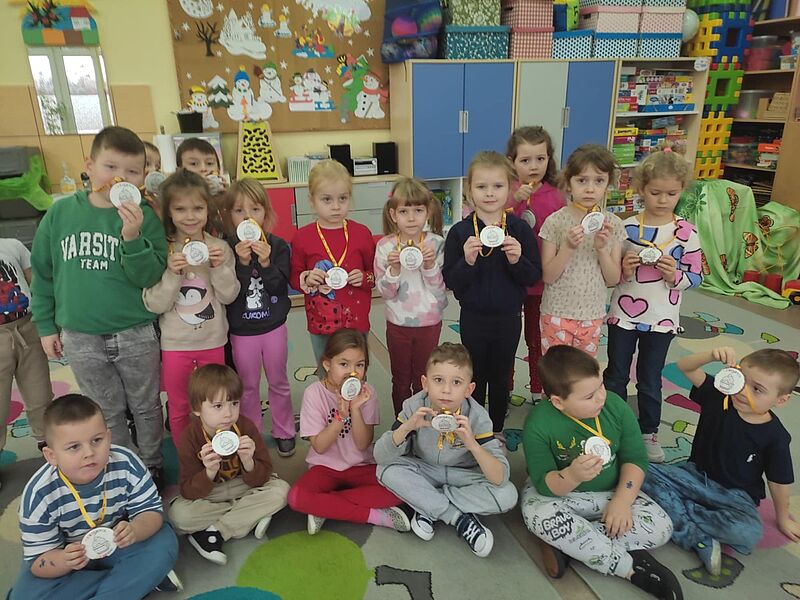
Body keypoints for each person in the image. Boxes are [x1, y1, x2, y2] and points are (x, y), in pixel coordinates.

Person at [30, 126, 168, 486]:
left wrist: (132, 237)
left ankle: (151, 463)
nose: (119, 177)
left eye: (132, 171)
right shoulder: (60, 214)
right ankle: (122, 466)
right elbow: (43, 274)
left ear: (142, 177)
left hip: (136, 332)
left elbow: (149, 276)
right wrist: (45, 326)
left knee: (146, 405)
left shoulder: (146, 216)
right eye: (110, 167)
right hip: (81, 336)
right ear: (89, 166)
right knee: (106, 411)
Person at [521, 346, 681, 599]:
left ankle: (570, 545)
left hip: (611, 493)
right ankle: (628, 568)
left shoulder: (615, 406)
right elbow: (544, 483)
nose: (600, 398)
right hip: (562, 497)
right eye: (588, 397)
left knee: (661, 526)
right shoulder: (538, 424)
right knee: (537, 514)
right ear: (558, 402)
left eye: (601, 387)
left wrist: (622, 502)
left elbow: (635, 459)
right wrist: (572, 476)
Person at [642, 347, 800, 576]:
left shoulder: (775, 436)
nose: (743, 391)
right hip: (692, 476)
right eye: (741, 379)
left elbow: (778, 481)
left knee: (748, 533)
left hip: (735, 497)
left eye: (757, 389)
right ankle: (697, 536)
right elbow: (684, 367)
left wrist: (783, 518)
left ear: (781, 400)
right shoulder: (719, 396)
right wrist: (710, 355)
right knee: (638, 471)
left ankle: (678, 513)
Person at [11, 394, 181, 598]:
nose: (89, 453)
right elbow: (40, 560)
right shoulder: (38, 496)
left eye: (97, 440)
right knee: (24, 595)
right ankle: (138, 578)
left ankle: (133, 578)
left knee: (163, 543)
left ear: (109, 437)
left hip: (120, 542)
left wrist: (135, 530)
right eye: (74, 447)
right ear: (51, 456)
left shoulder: (126, 463)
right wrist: (64, 560)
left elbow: (151, 512)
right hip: (70, 557)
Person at [603, 144, 702, 462]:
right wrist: (624, 267)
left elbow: (696, 276)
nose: (662, 200)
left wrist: (675, 275)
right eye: (655, 192)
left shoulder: (687, 233)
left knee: (649, 377)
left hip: (662, 319)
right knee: (616, 374)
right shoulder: (627, 227)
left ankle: (648, 432)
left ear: (681, 190)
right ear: (641, 189)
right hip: (623, 314)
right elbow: (611, 272)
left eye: (671, 194)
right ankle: (612, 426)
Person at [375, 343, 517, 558]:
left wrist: (472, 444)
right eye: (438, 380)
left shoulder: (478, 416)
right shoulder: (414, 406)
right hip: (424, 469)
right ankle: (457, 518)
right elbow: (380, 456)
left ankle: (426, 504)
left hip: (464, 475)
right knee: (384, 470)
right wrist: (407, 427)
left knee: (508, 494)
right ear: (425, 383)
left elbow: (500, 477)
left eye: (456, 382)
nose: (446, 390)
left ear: (469, 389)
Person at [443, 151, 541, 440]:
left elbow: (532, 276)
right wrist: (467, 261)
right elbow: (451, 281)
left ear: (510, 188)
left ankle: (496, 429)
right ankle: (473, 428)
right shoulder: (460, 232)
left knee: (501, 375)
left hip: (508, 317)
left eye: (497, 186)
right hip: (473, 317)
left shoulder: (519, 229)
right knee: (473, 375)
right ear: (469, 190)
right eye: (481, 186)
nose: (489, 193)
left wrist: (517, 260)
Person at [143, 170, 239, 445]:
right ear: (168, 212)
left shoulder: (219, 248)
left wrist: (218, 268)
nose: (190, 216)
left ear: (208, 209)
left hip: (212, 341)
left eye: (198, 208)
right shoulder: (162, 249)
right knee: (180, 406)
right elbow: (155, 304)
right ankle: (187, 456)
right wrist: (173, 274)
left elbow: (229, 296)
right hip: (176, 345)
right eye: (180, 209)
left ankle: (217, 451)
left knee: (216, 403)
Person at [287, 328, 408, 535]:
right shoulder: (314, 393)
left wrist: (356, 409)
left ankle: (324, 506)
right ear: (327, 364)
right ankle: (374, 516)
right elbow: (320, 446)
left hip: (361, 465)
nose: (352, 372)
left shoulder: (367, 392)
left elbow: (362, 444)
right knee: (296, 497)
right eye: (343, 364)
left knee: (403, 488)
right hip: (324, 467)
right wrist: (341, 416)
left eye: (359, 365)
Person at [168, 365, 289, 565]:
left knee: (282, 491)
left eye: (234, 403)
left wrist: (249, 462)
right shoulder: (189, 438)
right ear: (197, 409)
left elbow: (264, 475)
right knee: (178, 516)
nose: (228, 413)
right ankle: (248, 515)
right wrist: (208, 472)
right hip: (211, 493)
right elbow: (188, 490)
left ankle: (215, 532)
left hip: (244, 484)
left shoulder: (245, 426)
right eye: (218, 406)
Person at [223, 178, 295, 457]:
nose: (248, 217)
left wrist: (265, 263)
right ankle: (251, 434)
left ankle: (284, 430)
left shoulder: (278, 246)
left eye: (255, 209)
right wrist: (242, 264)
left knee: (279, 381)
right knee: (247, 386)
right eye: (239, 210)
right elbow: (230, 294)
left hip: (273, 327)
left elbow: (279, 287)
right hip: (242, 331)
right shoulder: (227, 248)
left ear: (266, 212)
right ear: (229, 215)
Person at [539, 144, 624, 358]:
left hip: (591, 314)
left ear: (608, 184)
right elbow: (548, 276)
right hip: (556, 312)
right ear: (568, 183)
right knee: (555, 370)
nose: (590, 189)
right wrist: (567, 248)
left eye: (599, 181)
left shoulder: (613, 224)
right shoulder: (555, 222)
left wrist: (602, 250)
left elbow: (613, 279)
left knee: (583, 372)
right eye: (582, 180)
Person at [290, 160, 375, 367]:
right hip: (321, 322)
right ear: (312, 200)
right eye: (326, 199)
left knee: (356, 372)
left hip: (356, 323)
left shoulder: (362, 233)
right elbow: (294, 278)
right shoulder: (302, 237)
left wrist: (364, 278)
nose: (336, 206)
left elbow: (375, 274)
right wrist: (308, 278)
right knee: (325, 371)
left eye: (342, 198)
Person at [374, 177, 447, 414]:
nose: (412, 218)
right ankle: (402, 421)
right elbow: (385, 293)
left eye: (418, 210)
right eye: (404, 211)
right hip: (398, 323)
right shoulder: (385, 246)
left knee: (424, 377)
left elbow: (440, 291)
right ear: (393, 214)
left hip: (429, 322)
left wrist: (429, 265)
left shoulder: (436, 244)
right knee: (400, 378)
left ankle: (423, 420)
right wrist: (394, 270)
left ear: (428, 212)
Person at [504, 126, 566, 402]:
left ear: (549, 159)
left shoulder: (556, 195)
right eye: (525, 160)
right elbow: (492, 222)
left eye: (540, 159)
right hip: (509, 279)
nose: (533, 166)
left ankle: (537, 390)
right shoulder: (505, 191)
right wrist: (512, 201)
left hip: (542, 283)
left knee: (536, 338)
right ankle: (504, 389)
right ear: (512, 162)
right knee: (507, 339)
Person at [0, 237, 53, 465]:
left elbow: (37, 285)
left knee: (40, 393)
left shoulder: (12, 245)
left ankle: (48, 444)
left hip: (28, 328)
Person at [176, 138, 227, 236]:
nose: (203, 169)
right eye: (193, 164)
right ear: (179, 171)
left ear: (218, 169)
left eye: (209, 163)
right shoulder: (176, 198)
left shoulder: (223, 197)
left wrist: (224, 203)